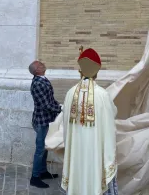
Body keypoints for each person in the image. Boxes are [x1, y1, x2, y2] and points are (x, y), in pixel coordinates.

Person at [61, 48, 117, 195]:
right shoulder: (103, 95)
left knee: (77, 173)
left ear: (81, 70)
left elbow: (65, 123)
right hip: (95, 149)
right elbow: (112, 114)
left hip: (76, 148)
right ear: (97, 71)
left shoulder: (70, 93)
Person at [29, 60, 62, 189]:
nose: (43, 64)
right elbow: (45, 105)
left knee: (44, 147)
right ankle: (35, 177)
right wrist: (60, 109)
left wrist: (58, 105)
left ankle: (43, 172)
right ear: (37, 70)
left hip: (46, 119)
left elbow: (50, 99)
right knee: (40, 149)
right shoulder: (38, 83)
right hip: (41, 121)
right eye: (40, 65)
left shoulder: (42, 79)